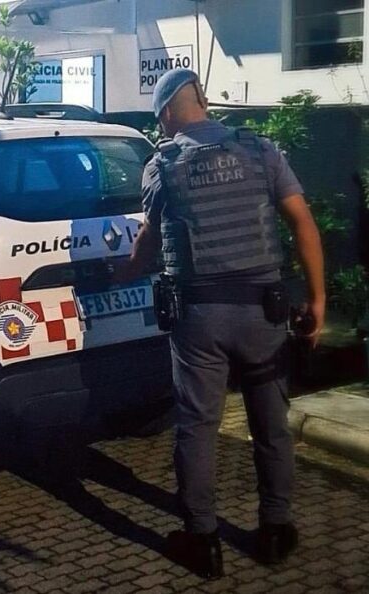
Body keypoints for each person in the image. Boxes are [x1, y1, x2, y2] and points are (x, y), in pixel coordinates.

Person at [117, 69, 325, 579]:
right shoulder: (260, 150)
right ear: (203, 102)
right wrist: (318, 299)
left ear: (168, 112)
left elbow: (149, 241)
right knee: (271, 425)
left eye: (159, 119)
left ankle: (203, 540)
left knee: (198, 426)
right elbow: (302, 222)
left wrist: (123, 271)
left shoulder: (162, 165)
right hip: (263, 313)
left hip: (199, 319)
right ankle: (275, 530)